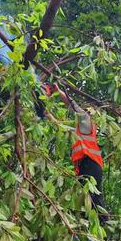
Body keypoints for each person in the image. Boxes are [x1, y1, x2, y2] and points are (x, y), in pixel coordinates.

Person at [45, 83, 108, 220]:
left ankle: (106, 228)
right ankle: (93, 227)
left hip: (91, 164)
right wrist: (47, 114)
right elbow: (61, 127)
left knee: (94, 199)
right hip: (86, 167)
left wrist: (59, 92)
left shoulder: (87, 122)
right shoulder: (80, 131)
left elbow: (73, 106)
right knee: (87, 199)